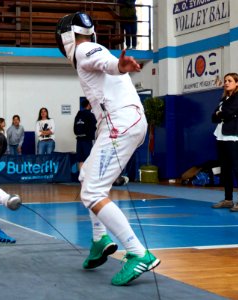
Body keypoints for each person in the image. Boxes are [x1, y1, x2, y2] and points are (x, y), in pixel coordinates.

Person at [56, 12, 160, 286]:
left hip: (120, 123)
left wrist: (119, 65)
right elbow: (104, 61)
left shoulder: (84, 49)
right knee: (86, 175)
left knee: (91, 192)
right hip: (122, 122)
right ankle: (99, 240)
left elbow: (103, 61)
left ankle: (139, 253)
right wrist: (117, 65)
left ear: (66, 36)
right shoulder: (91, 47)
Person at [211, 73, 238, 212]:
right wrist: (220, 113)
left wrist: (221, 113)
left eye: (230, 81)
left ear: (237, 83)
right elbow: (213, 117)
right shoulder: (224, 98)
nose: (226, 83)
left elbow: (227, 112)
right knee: (225, 169)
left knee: (237, 168)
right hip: (221, 136)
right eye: (225, 81)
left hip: (234, 136)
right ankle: (228, 200)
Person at [73, 99, 96, 170]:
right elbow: (94, 126)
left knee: (80, 159)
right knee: (88, 158)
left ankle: (81, 177)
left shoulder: (78, 114)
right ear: (89, 105)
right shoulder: (90, 115)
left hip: (79, 139)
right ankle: (87, 178)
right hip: (87, 140)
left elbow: (74, 127)